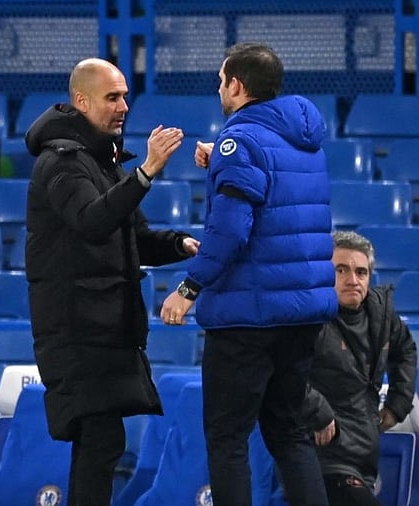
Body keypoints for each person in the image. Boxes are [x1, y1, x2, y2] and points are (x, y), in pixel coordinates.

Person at [160, 42, 338, 506]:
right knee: (287, 431)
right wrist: (219, 154)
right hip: (301, 314)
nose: (219, 88)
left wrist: (188, 286)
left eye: (221, 81)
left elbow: (232, 230)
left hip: (247, 315)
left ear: (236, 85)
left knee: (227, 437)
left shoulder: (238, 141)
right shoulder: (304, 140)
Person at [24, 57, 199, 505]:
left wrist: (179, 245)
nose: (123, 105)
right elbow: (91, 221)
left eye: (124, 95)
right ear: (81, 102)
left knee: (102, 444)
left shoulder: (103, 161)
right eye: (112, 97)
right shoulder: (61, 163)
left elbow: (133, 238)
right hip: (76, 329)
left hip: (105, 328)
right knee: (100, 441)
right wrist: (146, 173)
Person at [301, 230, 418, 506]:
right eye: (341, 270)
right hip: (319, 455)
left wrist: (398, 403)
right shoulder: (306, 316)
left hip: (364, 454)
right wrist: (316, 411)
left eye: (361, 272)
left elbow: (406, 350)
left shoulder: (381, 314)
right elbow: (281, 371)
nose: (352, 280)